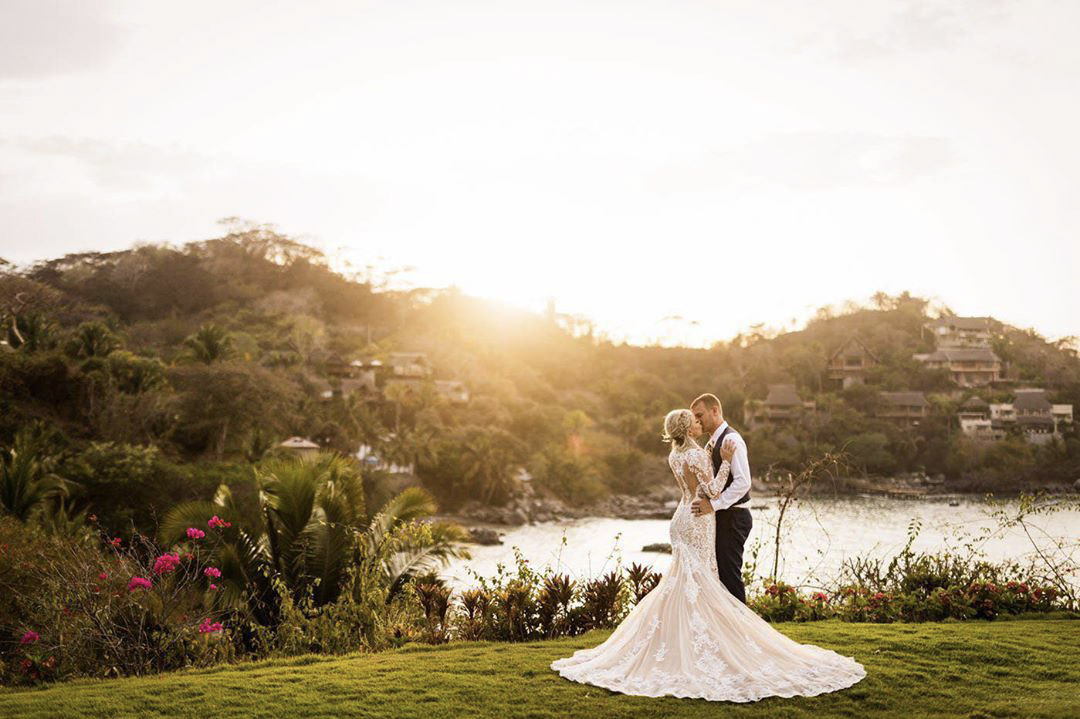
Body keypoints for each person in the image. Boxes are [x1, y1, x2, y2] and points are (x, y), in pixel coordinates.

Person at [550, 407, 866, 702]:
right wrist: (726, 460)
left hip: (681, 519)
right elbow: (713, 490)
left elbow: (690, 489)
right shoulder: (696, 453)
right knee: (704, 581)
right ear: (689, 428)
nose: (699, 423)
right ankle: (712, 644)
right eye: (695, 420)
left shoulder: (674, 454)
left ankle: (687, 641)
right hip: (699, 520)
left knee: (686, 583)